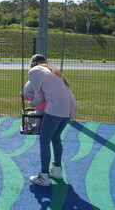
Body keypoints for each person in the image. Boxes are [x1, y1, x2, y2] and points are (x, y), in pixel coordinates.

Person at [23, 54, 76, 187]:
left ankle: (44, 176)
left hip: (56, 108)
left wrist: (30, 103)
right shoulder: (52, 70)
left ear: (32, 64)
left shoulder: (34, 71)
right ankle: (57, 170)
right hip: (69, 107)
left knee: (44, 140)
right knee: (56, 137)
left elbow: (39, 97)